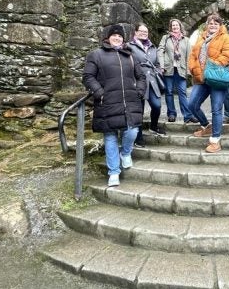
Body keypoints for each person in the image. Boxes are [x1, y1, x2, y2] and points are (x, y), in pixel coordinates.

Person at [82, 24, 145, 187]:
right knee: (110, 136)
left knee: (132, 131)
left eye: (120, 36)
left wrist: (139, 91)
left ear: (124, 39)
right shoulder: (96, 55)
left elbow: (141, 76)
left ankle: (125, 153)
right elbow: (88, 77)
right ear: (108, 38)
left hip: (129, 101)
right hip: (107, 102)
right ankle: (114, 172)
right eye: (114, 35)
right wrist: (99, 93)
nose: (117, 38)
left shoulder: (130, 55)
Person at [187, 13, 229, 153]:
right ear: (206, 25)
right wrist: (194, 68)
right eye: (210, 23)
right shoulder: (200, 38)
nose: (212, 25)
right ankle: (206, 126)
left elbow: (228, 55)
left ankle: (215, 140)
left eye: (216, 23)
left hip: (217, 77)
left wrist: (211, 67)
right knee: (192, 104)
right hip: (201, 79)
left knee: (216, 109)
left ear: (220, 25)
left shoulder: (227, 37)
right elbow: (193, 56)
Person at [129, 23, 166, 148]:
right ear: (135, 32)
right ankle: (138, 138)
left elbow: (156, 63)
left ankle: (153, 127)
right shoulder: (129, 46)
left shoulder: (152, 47)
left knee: (157, 105)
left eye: (146, 31)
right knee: (138, 110)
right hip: (137, 80)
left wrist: (159, 70)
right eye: (141, 31)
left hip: (152, 80)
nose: (144, 33)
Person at [157, 19, 198, 124]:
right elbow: (160, 51)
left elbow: (189, 56)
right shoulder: (165, 38)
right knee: (169, 92)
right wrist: (161, 65)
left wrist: (189, 71)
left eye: (177, 25)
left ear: (180, 26)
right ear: (171, 27)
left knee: (182, 93)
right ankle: (171, 114)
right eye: (173, 25)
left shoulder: (186, 40)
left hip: (181, 69)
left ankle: (187, 115)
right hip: (168, 68)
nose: (175, 27)